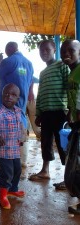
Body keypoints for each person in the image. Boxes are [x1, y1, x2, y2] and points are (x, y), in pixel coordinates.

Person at [28, 40, 69, 190]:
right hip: (45, 114)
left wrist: (70, 109)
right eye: (41, 51)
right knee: (45, 143)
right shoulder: (42, 72)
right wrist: (38, 113)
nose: (44, 53)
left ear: (54, 50)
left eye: (47, 49)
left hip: (60, 112)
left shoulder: (62, 65)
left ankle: (68, 177)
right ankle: (45, 171)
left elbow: (69, 87)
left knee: (63, 145)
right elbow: (41, 93)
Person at [0, 42, 34, 169]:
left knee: (3, 129)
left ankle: (5, 163)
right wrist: (30, 92)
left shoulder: (8, 61)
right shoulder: (29, 63)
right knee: (19, 126)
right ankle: (21, 160)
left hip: (5, 103)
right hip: (20, 102)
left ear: (8, 50)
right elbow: (31, 80)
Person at [0, 83, 25, 210]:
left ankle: (12, 190)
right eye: (6, 94)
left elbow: (19, 126)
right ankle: (2, 196)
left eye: (13, 95)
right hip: (3, 149)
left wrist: (21, 138)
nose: (9, 97)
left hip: (15, 148)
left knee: (17, 169)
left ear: (18, 99)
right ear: (2, 96)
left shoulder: (18, 111)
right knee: (7, 172)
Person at [60, 39, 80, 214]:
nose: (66, 53)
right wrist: (71, 112)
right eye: (63, 50)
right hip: (76, 124)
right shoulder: (72, 73)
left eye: (71, 50)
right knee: (74, 163)